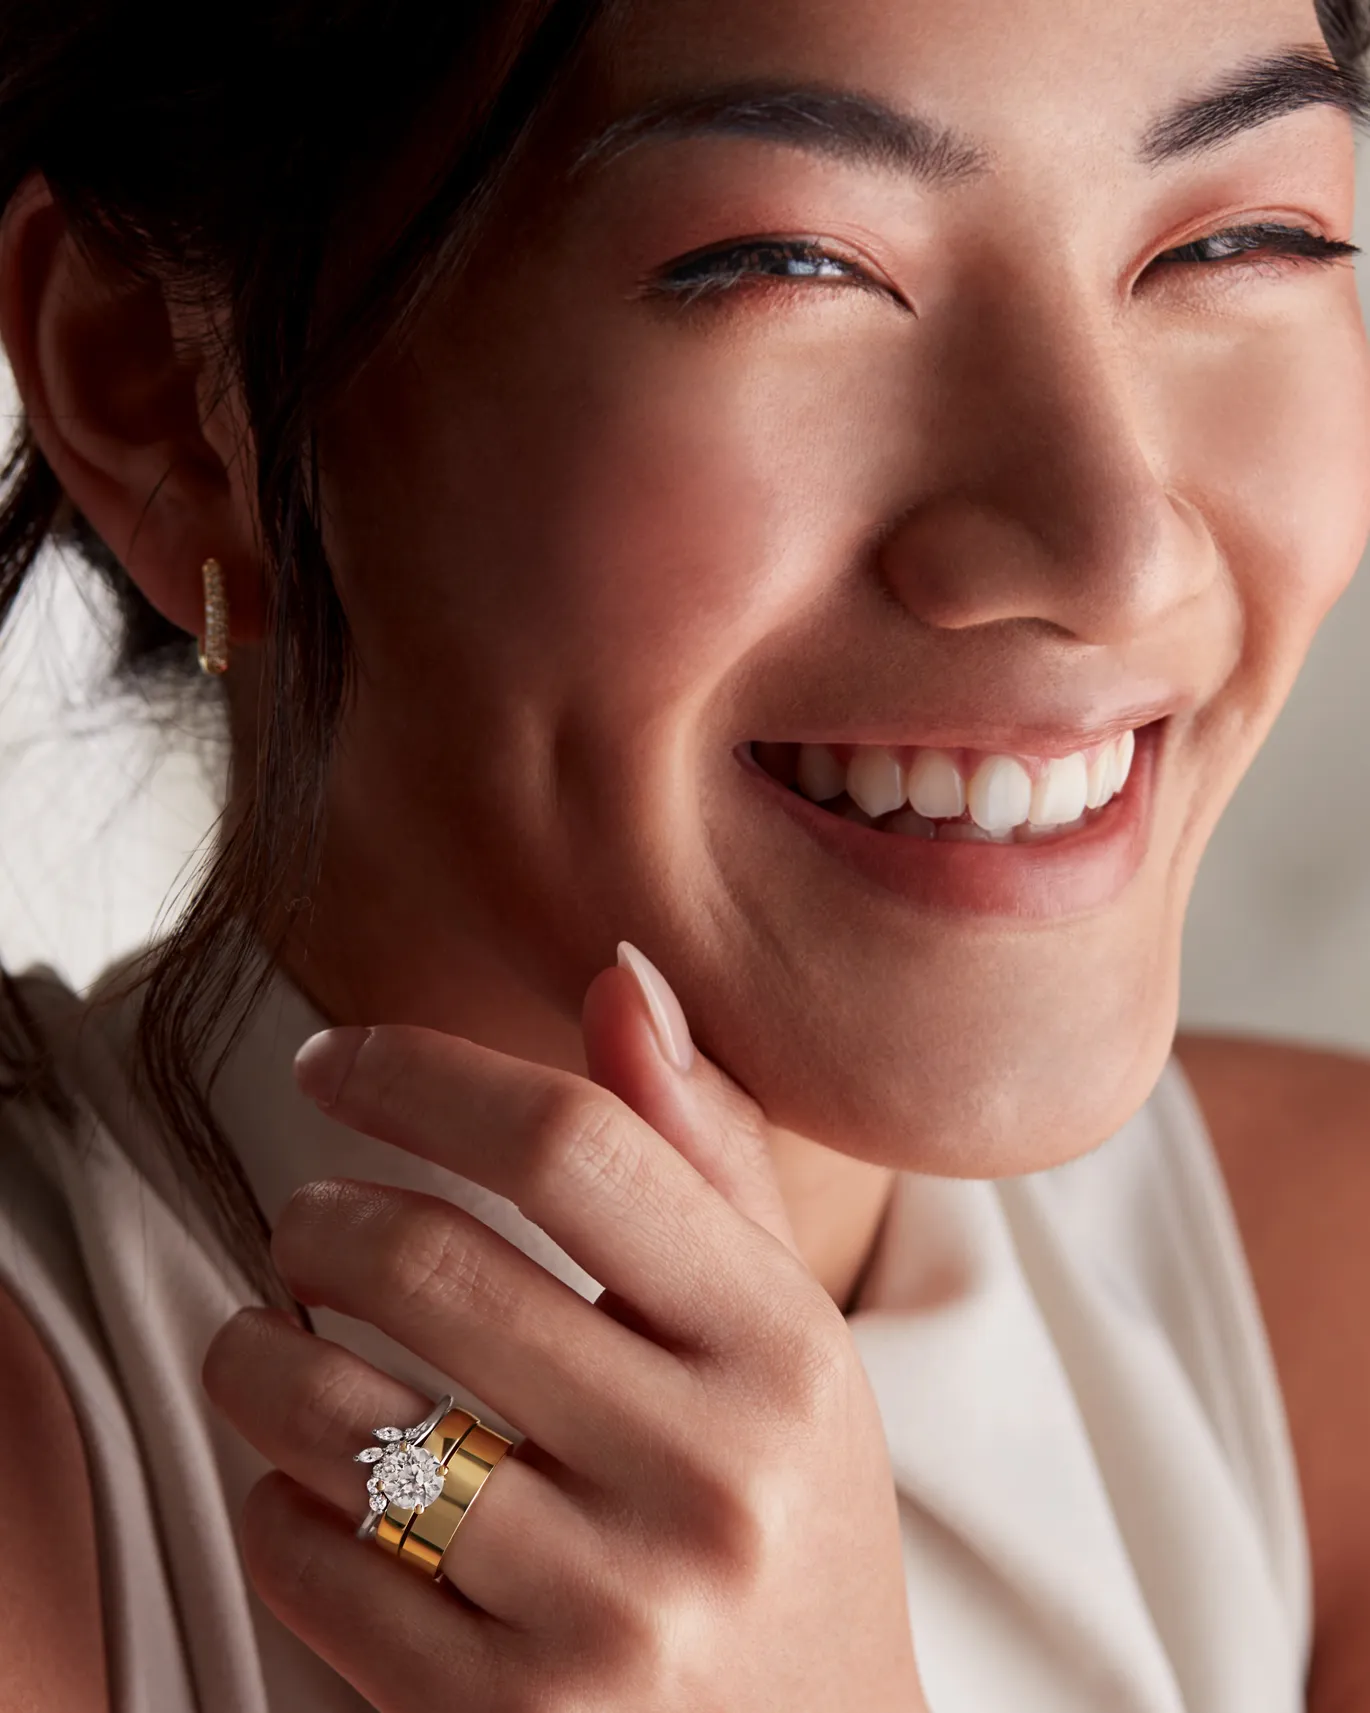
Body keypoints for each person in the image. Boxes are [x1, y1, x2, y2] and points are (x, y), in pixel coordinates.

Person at [2, 0, 1369, 1706]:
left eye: (1247, 239)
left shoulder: (1328, 1322)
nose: (1110, 550)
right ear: (165, 394)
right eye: (791, 263)